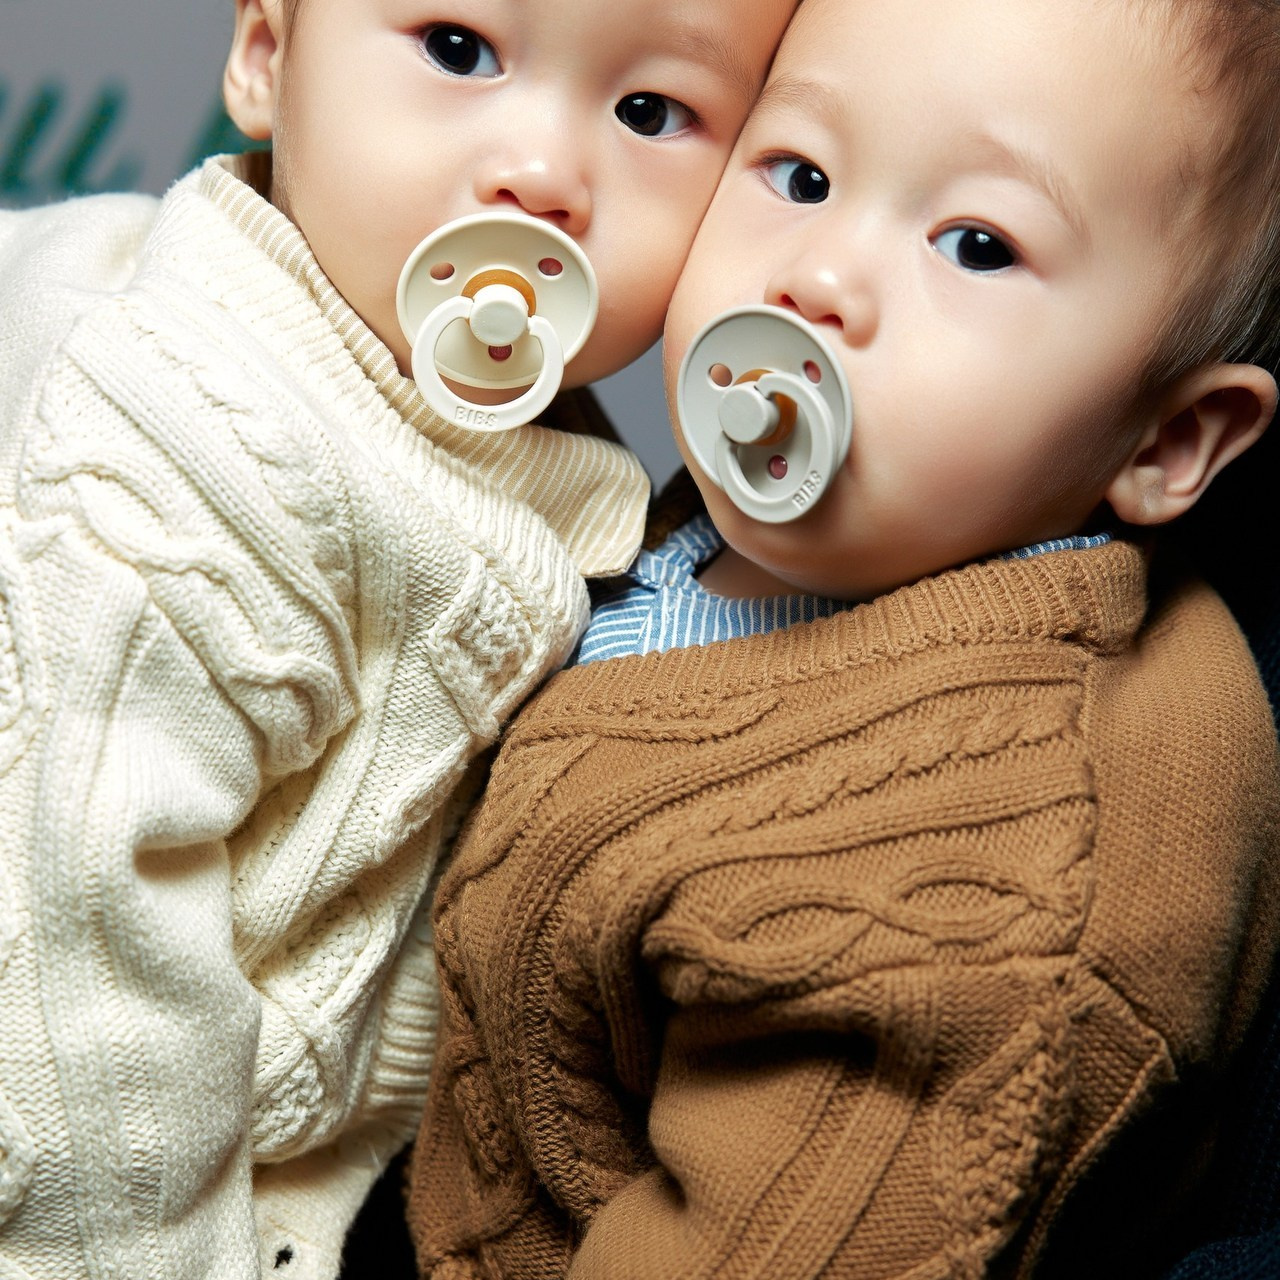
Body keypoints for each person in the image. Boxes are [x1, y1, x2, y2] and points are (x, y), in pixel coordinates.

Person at [404, 0, 1280, 1275]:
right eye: (799, 174)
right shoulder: (702, 529)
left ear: (1165, 440)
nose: (814, 275)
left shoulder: (1000, 885)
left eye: (975, 244)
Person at [0, 0, 797, 1276]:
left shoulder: (505, 430)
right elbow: (65, 1010)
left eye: (652, 114)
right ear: (266, 56)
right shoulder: (181, 452)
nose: (540, 171)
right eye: (457, 47)